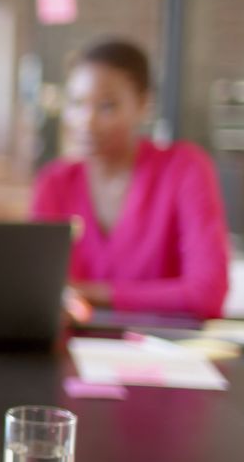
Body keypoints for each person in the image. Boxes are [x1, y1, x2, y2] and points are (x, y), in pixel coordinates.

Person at [32, 38, 230, 318]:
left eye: (107, 106)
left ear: (143, 104)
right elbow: (39, 290)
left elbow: (207, 294)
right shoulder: (54, 182)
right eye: (76, 103)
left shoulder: (185, 168)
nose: (86, 121)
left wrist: (91, 293)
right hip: (77, 350)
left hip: (165, 352)